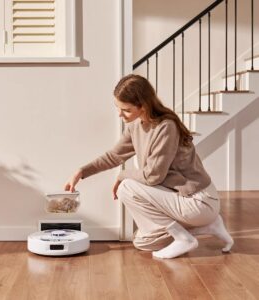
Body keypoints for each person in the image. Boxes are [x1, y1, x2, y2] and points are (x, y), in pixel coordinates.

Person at [64, 74, 234, 259]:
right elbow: (114, 156)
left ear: (143, 106)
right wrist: (81, 171)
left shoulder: (166, 127)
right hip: (182, 199)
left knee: (126, 187)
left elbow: (154, 177)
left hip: (198, 200)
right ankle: (206, 226)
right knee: (142, 242)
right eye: (118, 108)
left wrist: (122, 176)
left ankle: (186, 237)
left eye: (126, 110)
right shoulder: (135, 125)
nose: (120, 114)